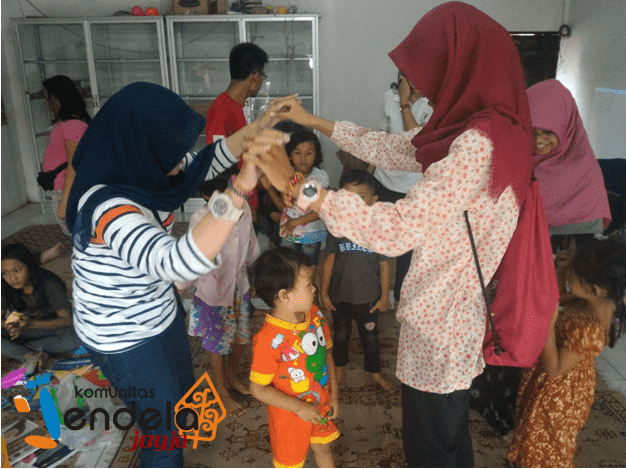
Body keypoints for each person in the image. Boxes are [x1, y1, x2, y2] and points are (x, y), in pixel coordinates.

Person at [247, 2, 540, 466]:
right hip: (447, 317)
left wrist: (303, 189)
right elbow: (395, 147)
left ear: (460, 67)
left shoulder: (477, 144)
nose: (422, 90)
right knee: (446, 437)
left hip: (442, 325)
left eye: (431, 76)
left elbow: (395, 229)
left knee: (432, 447)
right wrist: (313, 121)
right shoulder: (488, 128)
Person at [64, 82, 288, 468]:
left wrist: (259, 126)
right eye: (169, 152)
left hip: (158, 309)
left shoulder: (142, 170)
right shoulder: (109, 208)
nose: (179, 161)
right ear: (142, 149)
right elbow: (176, 263)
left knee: (181, 400)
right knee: (163, 438)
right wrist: (240, 188)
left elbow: (206, 160)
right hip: (124, 336)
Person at [507, 238, 626, 467]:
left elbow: (554, 369)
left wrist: (547, 325)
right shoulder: (588, 301)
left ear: (595, 290)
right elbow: (561, 297)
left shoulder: (591, 329)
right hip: (553, 381)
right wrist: (563, 273)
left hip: (560, 393)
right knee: (532, 430)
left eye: (574, 274)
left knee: (546, 442)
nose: (571, 274)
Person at [176, 164, 260, 418]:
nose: (233, 200)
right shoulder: (200, 218)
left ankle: (231, 377)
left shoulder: (244, 209)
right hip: (214, 292)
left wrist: (253, 275)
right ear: (206, 196)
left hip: (239, 286)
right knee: (217, 343)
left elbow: (251, 243)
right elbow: (192, 256)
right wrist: (181, 286)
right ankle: (221, 390)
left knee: (241, 337)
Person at [248, 247, 339, 468]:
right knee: (290, 463)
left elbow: (326, 355)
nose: (314, 289)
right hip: (289, 418)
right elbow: (258, 388)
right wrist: (299, 408)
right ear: (283, 295)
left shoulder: (314, 314)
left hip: (321, 405)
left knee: (323, 448)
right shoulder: (268, 340)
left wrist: (334, 395)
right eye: (308, 285)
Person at [320, 169, 394, 392]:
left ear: (373, 201)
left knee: (370, 338)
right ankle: (339, 368)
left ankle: (375, 373)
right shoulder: (336, 229)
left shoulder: (378, 231)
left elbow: (385, 266)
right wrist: (323, 294)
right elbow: (328, 263)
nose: (354, 204)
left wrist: (384, 297)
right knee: (340, 335)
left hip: (368, 300)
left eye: (360, 197)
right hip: (340, 298)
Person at [527, 79, 611, 251]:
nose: (538, 141)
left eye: (547, 132)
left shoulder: (587, 179)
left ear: (567, 127)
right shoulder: (518, 164)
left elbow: (587, 255)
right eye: (532, 132)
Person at [376, 72, 433, 305]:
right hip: (385, 179)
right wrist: (368, 173)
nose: (411, 84)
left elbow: (417, 142)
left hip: (415, 185)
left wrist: (404, 104)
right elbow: (382, 136)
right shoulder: (387, 97)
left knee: (408, 247)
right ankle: (377, 297)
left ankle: (401, 299)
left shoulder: (433, 103)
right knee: (380, 241)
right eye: (406, 78)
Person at [205, 42, 269, 218]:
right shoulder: (222, 110)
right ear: (254, 76)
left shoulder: (236, 107)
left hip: (245, 201)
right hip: (235, 206)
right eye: (263, 75)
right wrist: (239, 203)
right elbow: (217, 164)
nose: (262, 81)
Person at [1, 243, 81, 365]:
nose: (12, 279)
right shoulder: (4, 286)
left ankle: (21, 352)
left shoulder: (50, 283)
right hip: (25, 330)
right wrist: (10, 325)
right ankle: (30, 354)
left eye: (17, 271)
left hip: (53, 328)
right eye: (5, 273)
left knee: (74, 339)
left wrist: (31, 324)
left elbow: (66, 320)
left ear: (29, 266)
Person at [41, 75, 91, 235]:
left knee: (80, 234)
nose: (47, 104)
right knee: (77, 233)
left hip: (67, 189)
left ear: (59, 98)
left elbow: (74, 164)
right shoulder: (68, 123)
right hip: (62, 188)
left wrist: (65, 201)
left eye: (49, 98)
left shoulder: (73, 125)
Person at [274, 130, 329, 268]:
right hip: (288, 232)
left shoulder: (320, 177)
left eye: (309, 153)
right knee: (288, 268)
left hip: (311, 235)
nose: (303, 158)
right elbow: (285, 206)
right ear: (290, 155)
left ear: (316, 155)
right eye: (297, 153)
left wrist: (294, 222)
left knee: (308, 268)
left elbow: (321, 210)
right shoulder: (286, 175)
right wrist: (270, 189)